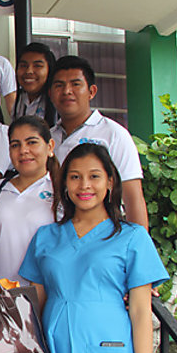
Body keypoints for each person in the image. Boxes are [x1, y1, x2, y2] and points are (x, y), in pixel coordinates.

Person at [19, 143, 169, 353]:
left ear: (110, 182)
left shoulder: (132, 237)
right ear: (65, 184)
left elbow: (140, 312)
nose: (85, 185)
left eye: (94, 176)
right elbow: (35, 305)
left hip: (109, 345)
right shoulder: (45, 237)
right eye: (75, 177)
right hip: (54, 345)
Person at [49, 55, 148, 228]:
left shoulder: (113, 134)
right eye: (59, 85)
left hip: (102, 236)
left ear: (91, 92)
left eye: (75, 84)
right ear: (50, 94)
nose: (66, 91)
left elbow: (133, 197)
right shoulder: (47, 139)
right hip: (57, 239)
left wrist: (139, 247)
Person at [0, 115, 58, 284]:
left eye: (32, 142)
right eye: (15, 145)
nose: (23, 150)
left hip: (46, 298)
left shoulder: (62, 193)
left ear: (50, 147)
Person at [12, 42, 58, 127]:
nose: (29, 71)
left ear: (49, 70)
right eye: (23, 65)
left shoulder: (58, 101)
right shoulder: (20, 99)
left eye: (37, 66)